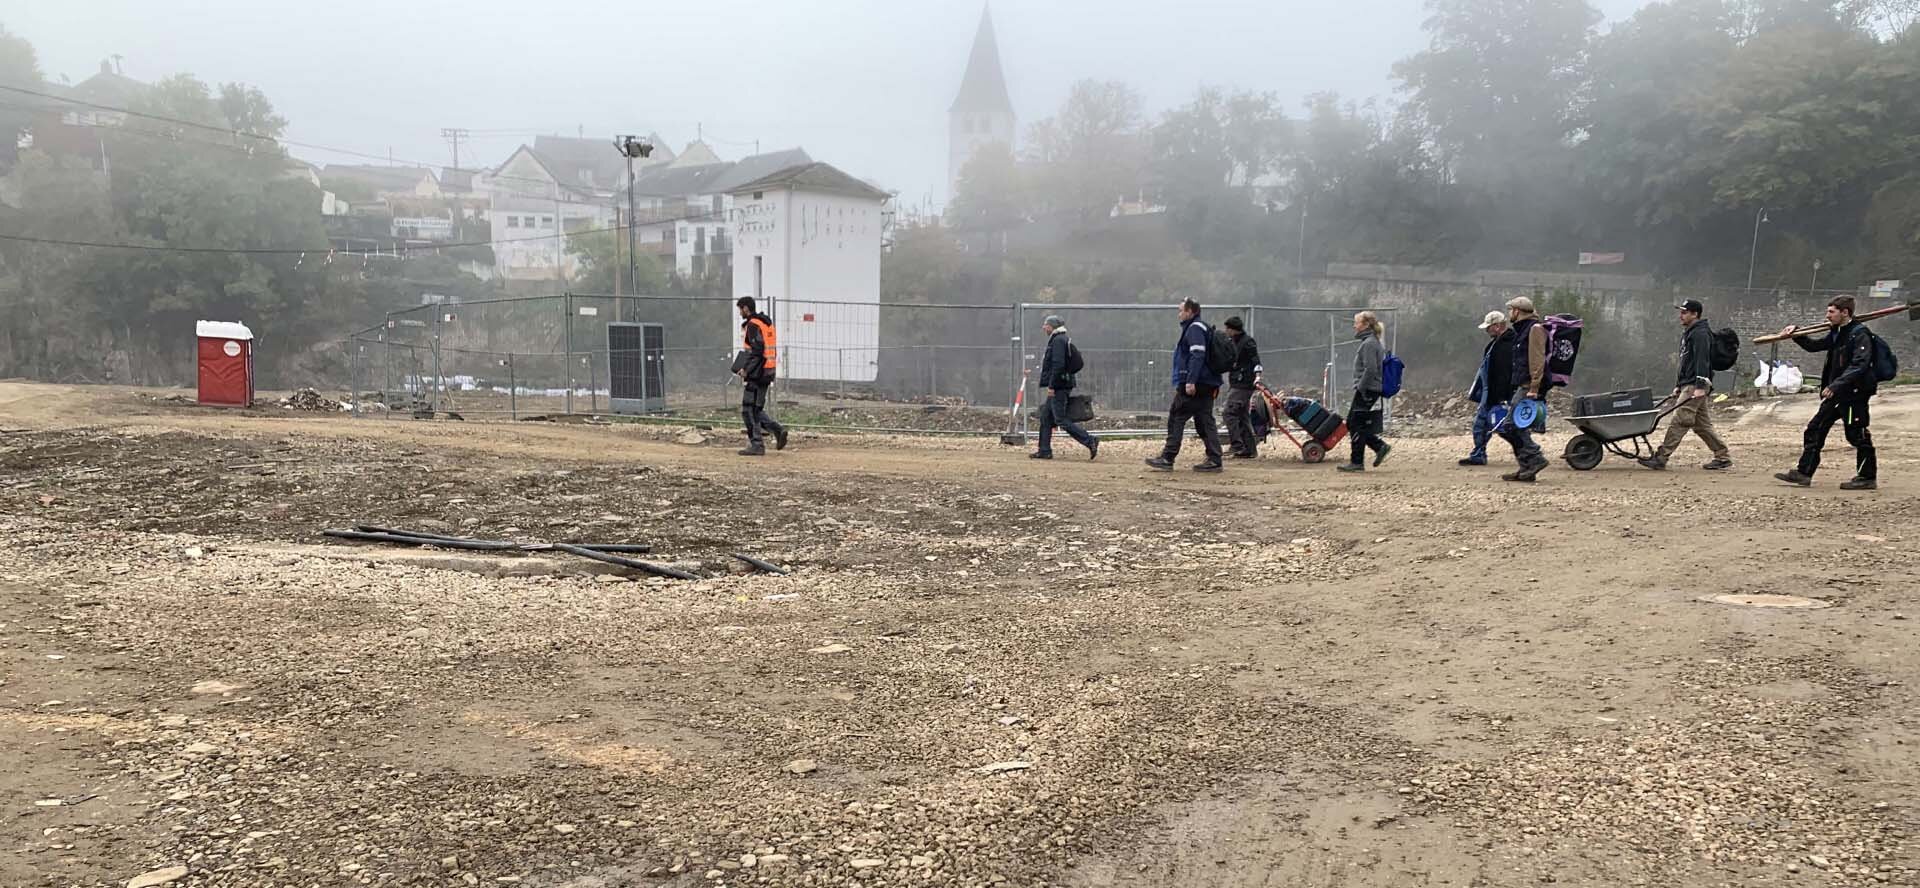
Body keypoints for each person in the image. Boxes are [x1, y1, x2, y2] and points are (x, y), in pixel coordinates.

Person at [1775, 295, 1879, 490]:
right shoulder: (1837, 332)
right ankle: (1804, 472)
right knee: (1816, 428)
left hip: (1854, 394)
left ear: (1845, 312)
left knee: (1857, 435)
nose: (1827, 315)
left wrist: (1835, 385)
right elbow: (1816, 346)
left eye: (1831, 312)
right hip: (1838, 394)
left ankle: (1867, 477)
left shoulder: (1859, 334)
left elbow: (1860, 365)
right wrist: (1797, 334)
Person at [1640, 299, 1732, 471]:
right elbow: (1686, 361)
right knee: (1701, 425)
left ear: (1695, 314)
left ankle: (1661, 457)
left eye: (1684, 312)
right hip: (1688, 384)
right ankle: (1722, 456)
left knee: (1680, 419)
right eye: (1681, 312)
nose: (1680, 316)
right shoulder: (1690, 332)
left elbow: (1702, 361)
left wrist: (1699, 386)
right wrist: (1678, 384)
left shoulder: (1700, 334)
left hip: (1694, 385)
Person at [1145, 298, 1225, 472]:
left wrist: (1190, 380)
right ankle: (1214, 458)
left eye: (1181, 310)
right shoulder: (1202, 327)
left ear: (1190, 312)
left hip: (1197, 382)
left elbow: (1197, 355)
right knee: (1204, 420)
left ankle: (1168, 457)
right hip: (1208, 382)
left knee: (1177, 416)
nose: (1179, 314)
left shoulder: (1194, 329)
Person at [1498, 296, 1551, 482]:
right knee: (1513, 427)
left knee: (1510, 426)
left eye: (1510, 310)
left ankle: (1535, 458)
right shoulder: (1523, 330)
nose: (1509, 314)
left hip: (1529, 386)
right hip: (1523, 384)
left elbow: (1537, 360)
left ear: (1517, 311)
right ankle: (1526, 468)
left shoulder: (1534, 329)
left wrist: (1534, 387)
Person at [1032, 314, 1099, 460]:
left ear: (1052, 327)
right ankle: (1044, 450)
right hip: (1062, 384)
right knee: (1046, 417)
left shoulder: (1057, 341)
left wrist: (1052, 385)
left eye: (1046, 325)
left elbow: (1058, 365)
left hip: (1059, 386)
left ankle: (1089, 440)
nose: (1044, 327)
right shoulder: (1061, 339)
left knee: (1061, 419)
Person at [1337, 311, 1392, 472]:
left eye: (1357, 322)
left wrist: (1361, 388)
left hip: (1368, 389)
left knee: (1354, 422)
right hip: (1370, 388)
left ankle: (1359, 460)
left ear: (1366, 325)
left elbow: (1371, 369)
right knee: (1355, 422)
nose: (1355, 325)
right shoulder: (1372, 341)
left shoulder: (1369, 343)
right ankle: (1377, 447)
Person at [733, 297, 788, 456]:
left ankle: (757, 444)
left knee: (747, 409)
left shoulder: (753, 325)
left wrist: (746, 370)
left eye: (740, 309)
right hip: (768, 372)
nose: (740, 313)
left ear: (746, 308)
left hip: (757, 373)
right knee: (756, 409)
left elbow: (757, 352)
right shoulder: (765, 323)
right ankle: (777, 430)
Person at [1462, 310, 1515, 466]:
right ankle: (1478, 453)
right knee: (1483, 424)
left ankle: (1530, 452)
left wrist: (1499, 396)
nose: (1487, 331)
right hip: (1490, 392)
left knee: (1503, 427)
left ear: (1497, 326)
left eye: (1489, 327)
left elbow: (1503, 374)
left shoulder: (1505, 346)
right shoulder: (1497, 343)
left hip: (1496, 394)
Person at [1221, 316, 1264, 459]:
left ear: (1234, 330)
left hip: (1243, 384)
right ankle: (1249, 449)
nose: (1226, 331)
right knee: (1241, 415)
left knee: (1229, 412)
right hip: (1236, 382)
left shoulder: (1247, 342)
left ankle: (1236, 443)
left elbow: (1256, 360)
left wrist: (1258, 375)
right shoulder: (1232, 342)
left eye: (1228, 328)